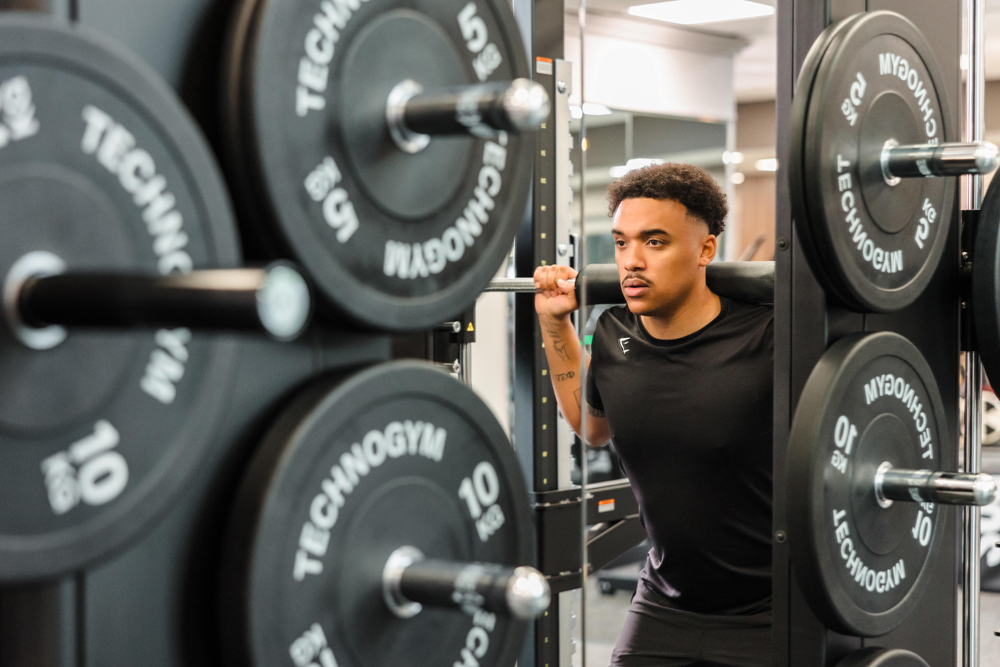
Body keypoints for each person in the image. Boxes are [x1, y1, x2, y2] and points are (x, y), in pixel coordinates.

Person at [533, 163, 773, 667]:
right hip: (666, 602)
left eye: (655, 242)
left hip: (772, 610)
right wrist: (556, 324)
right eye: (621, 243)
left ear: (706, 250)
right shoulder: (617, 331)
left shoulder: (767, 337)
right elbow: (593, 427)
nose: (631, 261)